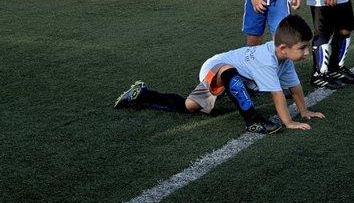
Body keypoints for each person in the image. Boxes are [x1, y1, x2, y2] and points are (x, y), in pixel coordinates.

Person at [114, 15, 324, 134]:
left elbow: (294, 87)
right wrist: (288, 122)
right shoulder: (266, 60)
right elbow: (277, 94)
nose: (306, 52)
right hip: (215, 68)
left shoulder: (283, 58)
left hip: (234, 77)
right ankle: (253, 120)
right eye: (303, 48)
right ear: (283, 48)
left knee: (189, 107)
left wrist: (304, 112)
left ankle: (142, 94)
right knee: (228, 72)